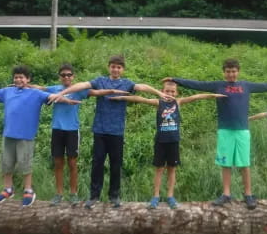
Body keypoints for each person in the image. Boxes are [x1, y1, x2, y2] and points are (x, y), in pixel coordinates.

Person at [164, 58, 267, 209]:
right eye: (228, 71)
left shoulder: (246, 85)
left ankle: (248, 194)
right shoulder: (218, 85)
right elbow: (198, 84)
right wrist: (175, 80)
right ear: (224, 72)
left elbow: (266, 86)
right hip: (225, 130)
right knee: (225, 163)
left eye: (234, 71)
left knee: (244, 163)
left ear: (238, 71)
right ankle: (226, 194)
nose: (231, 74)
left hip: (242, 130)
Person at [48, 55, 172, 209]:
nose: (115, 69)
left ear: (122, 69)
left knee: (115, 164)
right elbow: (81, 85)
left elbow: (142, 87)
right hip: (100, 129)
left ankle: (114, 196)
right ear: (109, 68)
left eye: (119, 67)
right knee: (97, 163)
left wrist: (159, 94)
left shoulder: (126, 83)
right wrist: (61, 93)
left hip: (117, 131)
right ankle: (94, 196)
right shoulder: (100, 81)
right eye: (113, 66)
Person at [0, 65, 80, 207]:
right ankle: (8, 189)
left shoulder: (35, 94)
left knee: (25, 164)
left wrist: (67, 100)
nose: (18, 79)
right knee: (6, 163)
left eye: (21, 77)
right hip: (8, 134)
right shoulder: (7, 91)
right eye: (16, 77)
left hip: (26, 136)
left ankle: (28, 190)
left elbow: (52, 96)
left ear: (28, 79)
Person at [111, 80, 226, 209]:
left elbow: (196, 97)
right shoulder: (158, 102)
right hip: (160, 141)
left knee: (172, 169)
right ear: (162, 91)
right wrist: (121, 97)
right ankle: (155, 196)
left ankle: (170, 196)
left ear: (176, 93)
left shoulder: (178, 102)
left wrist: (213, 95)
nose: (170, 93)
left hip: (174, 141)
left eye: (172, 91)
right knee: (159, 169)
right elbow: (140, 98)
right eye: (167, 91)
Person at [30, 63, 129, 206]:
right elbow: (40, 89)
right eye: (63, 75)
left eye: (69, 75)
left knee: (72, 163)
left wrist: (112, 90)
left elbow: (95, 92)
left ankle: (73, 194)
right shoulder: (55, 89)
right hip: (57, 129)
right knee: (58, 163)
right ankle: (58, 194)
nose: (66, 77)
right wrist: (24, 85)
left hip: (72, 130)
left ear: (73, 76)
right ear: (60, 77)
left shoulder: (79, 90)